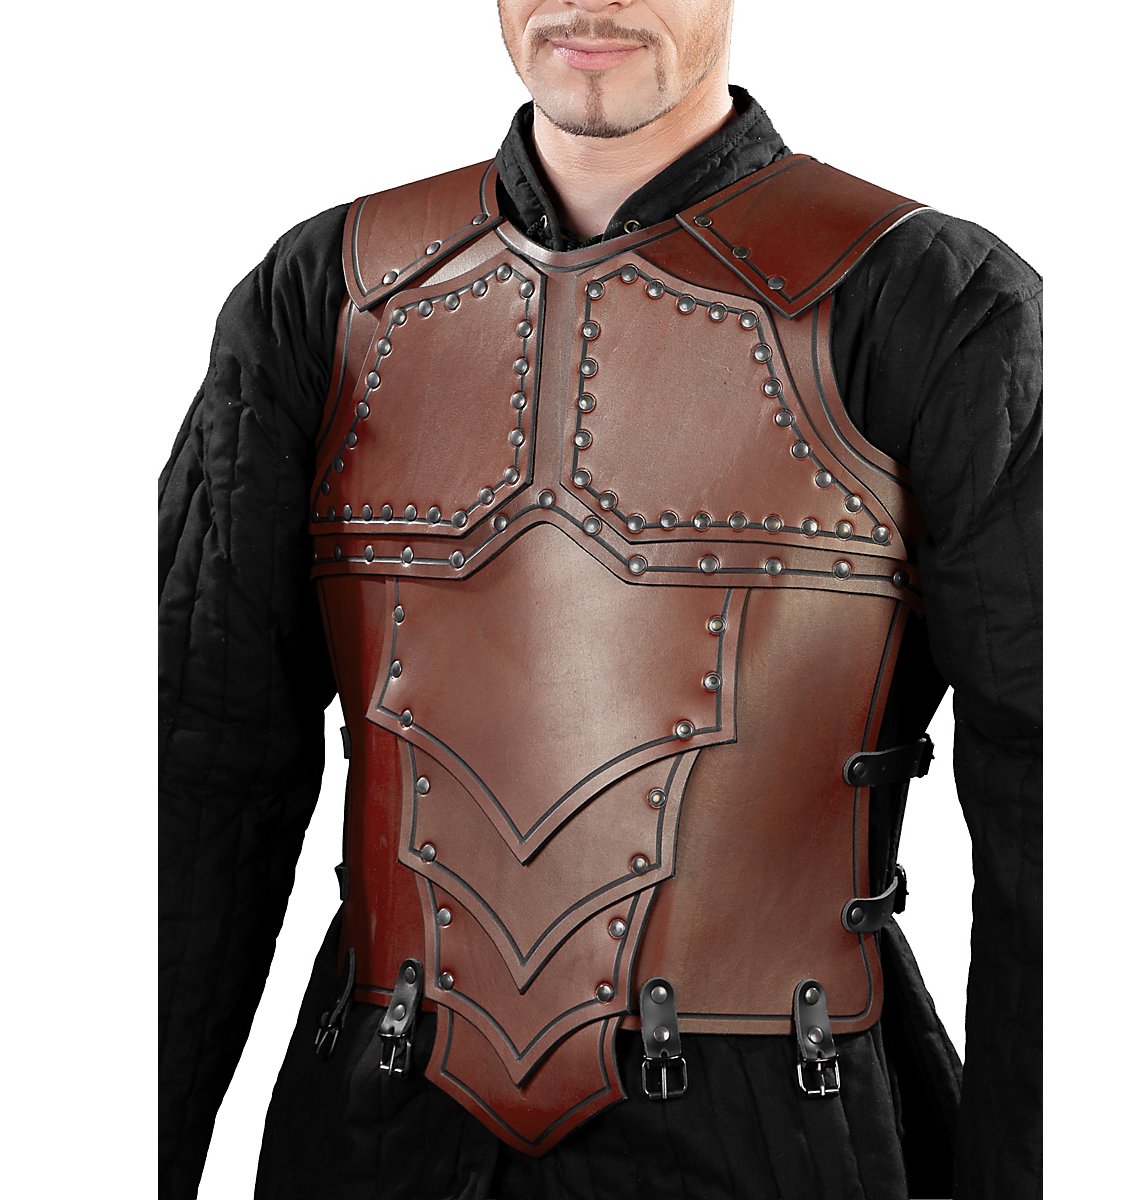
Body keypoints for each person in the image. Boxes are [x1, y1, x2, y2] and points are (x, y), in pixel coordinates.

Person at [158, 2, 1042, 1197]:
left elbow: (1070, 801)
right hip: (374, 1132)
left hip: (779, 1136)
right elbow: (189, 777)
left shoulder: (936, 301)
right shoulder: (321, 296)